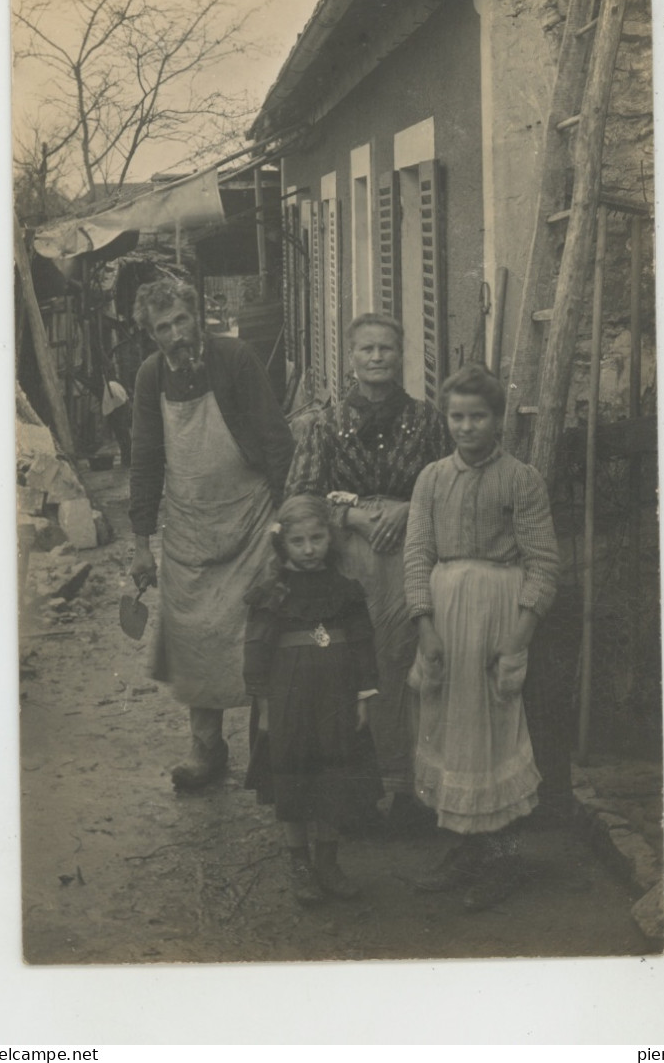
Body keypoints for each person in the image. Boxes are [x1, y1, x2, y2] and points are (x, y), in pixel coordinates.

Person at [285, 313, 452, 827]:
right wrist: (350, 515)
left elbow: (450, 481)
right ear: (350, 358)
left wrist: (409, 507)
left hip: (412, 553)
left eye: (386, 349)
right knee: (354, 666)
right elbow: (300, 497)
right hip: (350, 559)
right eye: (366, 350)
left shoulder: (427, 420)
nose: (376, 358)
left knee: (408, 664)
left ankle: (411, 793)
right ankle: (356, 796)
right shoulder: (327, 425)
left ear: (401, 355)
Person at [404, 364, 560, 910]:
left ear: (497, 420)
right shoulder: (431, 479)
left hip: (498, 617)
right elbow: (418, 555)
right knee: (450, 730)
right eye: (457, 417)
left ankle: (504, 858)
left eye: (478, 417)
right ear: (446, 419)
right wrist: (425, 628)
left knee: (497, 731)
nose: (466, 427)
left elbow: (542, 566)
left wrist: (516, 640)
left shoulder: (521, 480)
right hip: (445, 617)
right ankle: (464, 849)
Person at [129, 277, 294, 791]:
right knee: (195, 644)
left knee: (263, 637)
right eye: (163, 327)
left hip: (249, 520)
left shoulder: (236, 360)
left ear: (196, 316)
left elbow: (275, 439)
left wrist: (288, 518)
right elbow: (145, 459)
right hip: (188, 530)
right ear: (151, 336)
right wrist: (139, 541)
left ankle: (270, 754)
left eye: (181, 319)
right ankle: (207, 750)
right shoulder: (150, 378)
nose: (176, 334)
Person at [243, 495, 379, 905]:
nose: (308, 548)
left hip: (335, 696)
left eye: (317, 538)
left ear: (330, 538)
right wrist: (265, 706)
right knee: (294, 779)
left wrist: (362, 696)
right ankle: (300, 864)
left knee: (333, 779)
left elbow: (362, 643)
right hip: (289, 701)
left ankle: (328, 863)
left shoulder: (345, 590)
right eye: (298, 541)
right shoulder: (272, 592)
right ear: (282, 544)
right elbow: (256, 649)